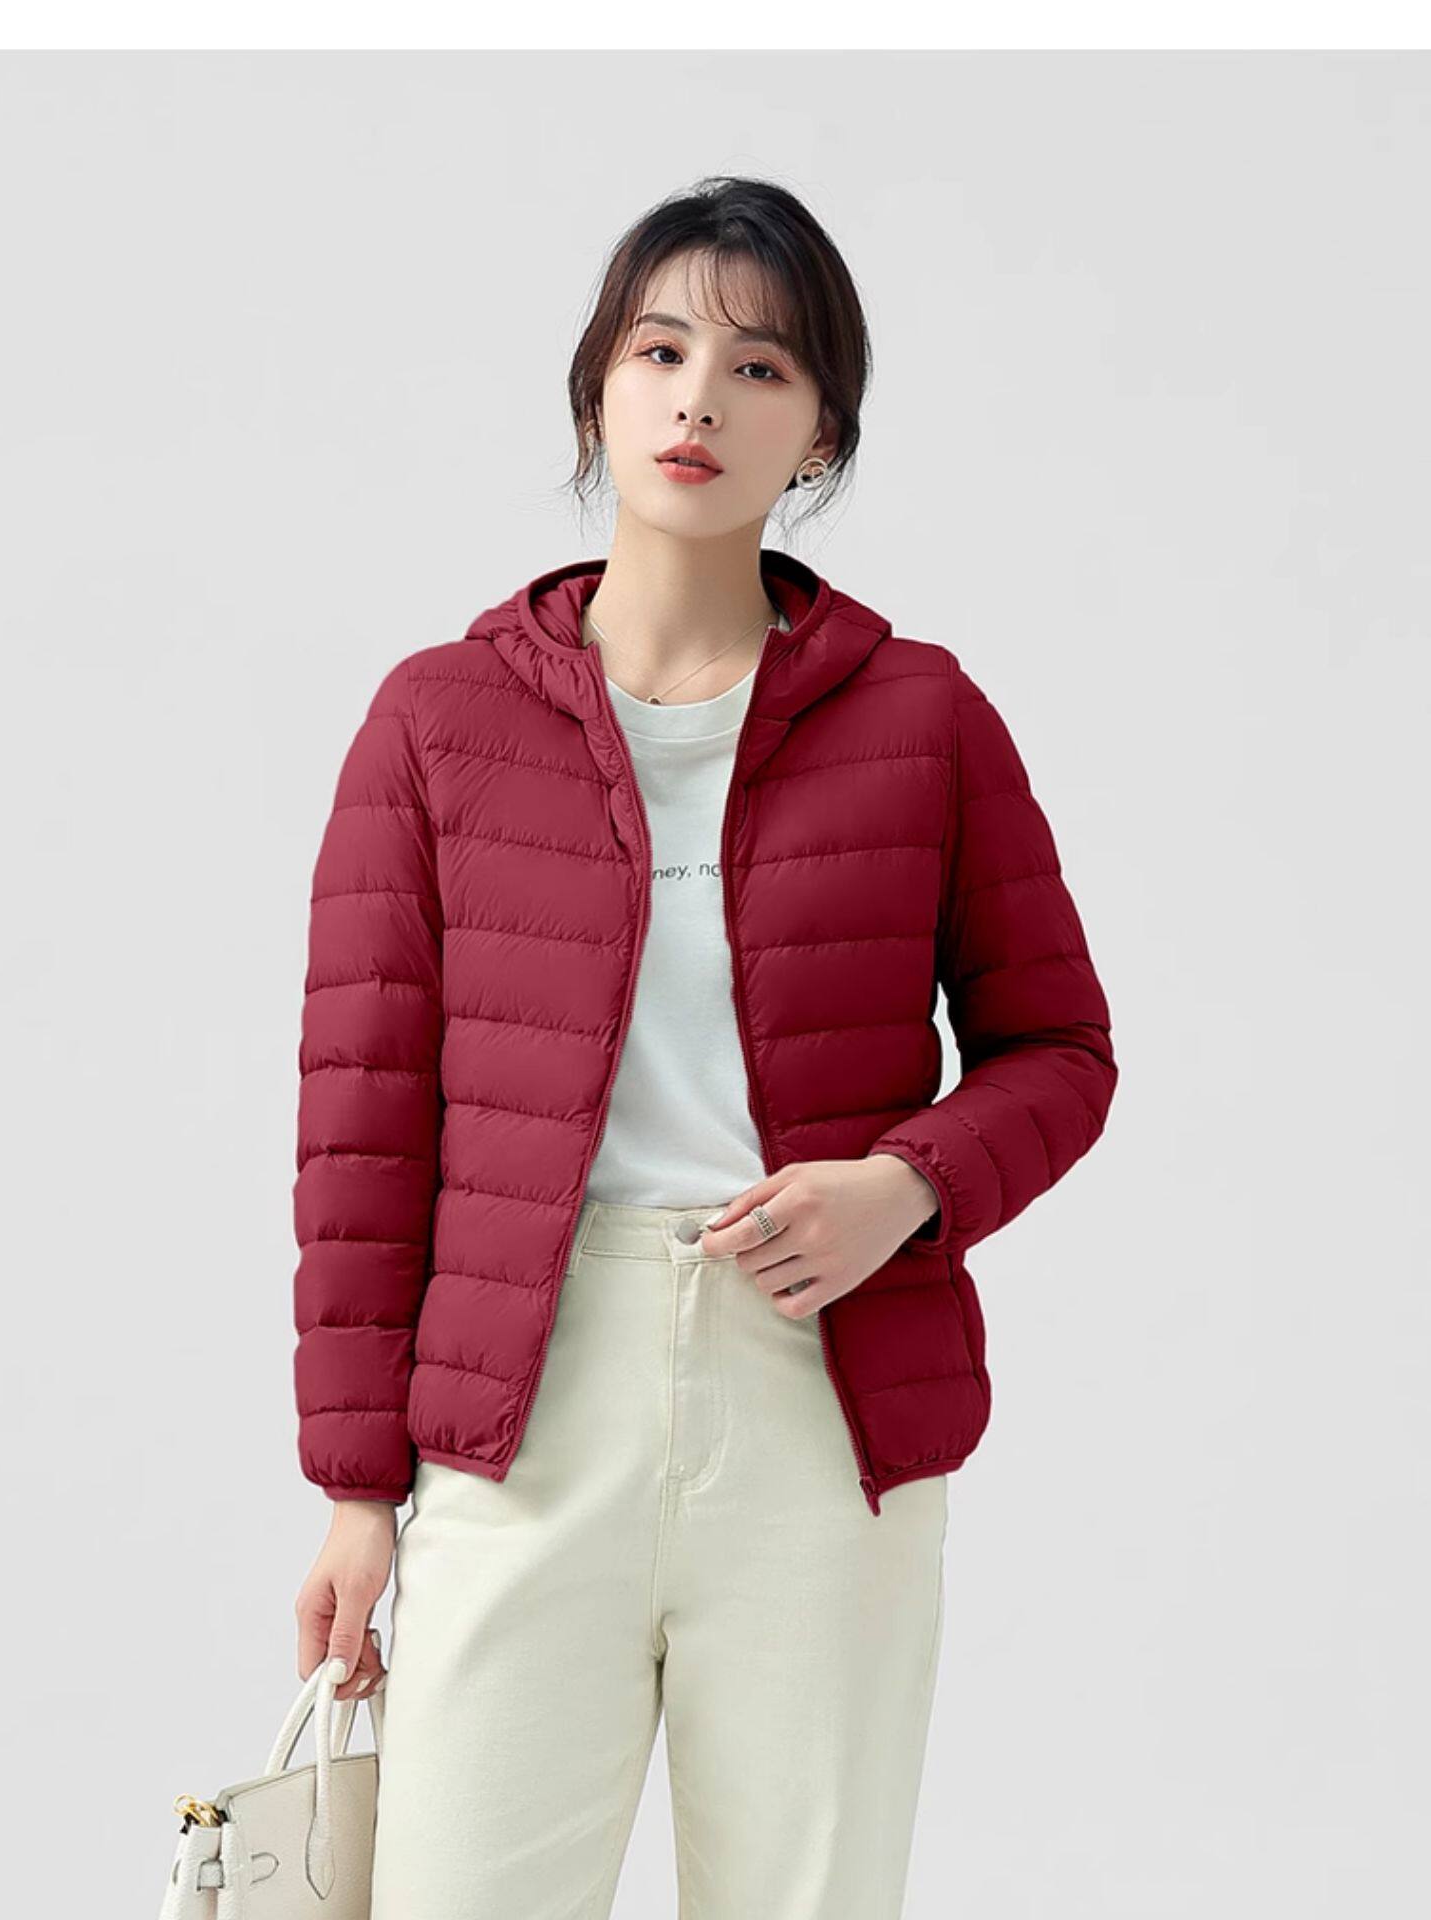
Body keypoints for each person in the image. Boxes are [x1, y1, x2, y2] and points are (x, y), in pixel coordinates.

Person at [291, 175, 1118, 1919]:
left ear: (822, 434)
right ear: (595, 390)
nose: (698, 400)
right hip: (524, 1408)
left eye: (760, 367)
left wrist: (903, 1187)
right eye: (660, 352)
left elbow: (1059, 1048)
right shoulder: (436, 723)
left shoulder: (925, 719)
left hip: (820, 1396)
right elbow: (361, 1138)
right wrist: (359, 1495)